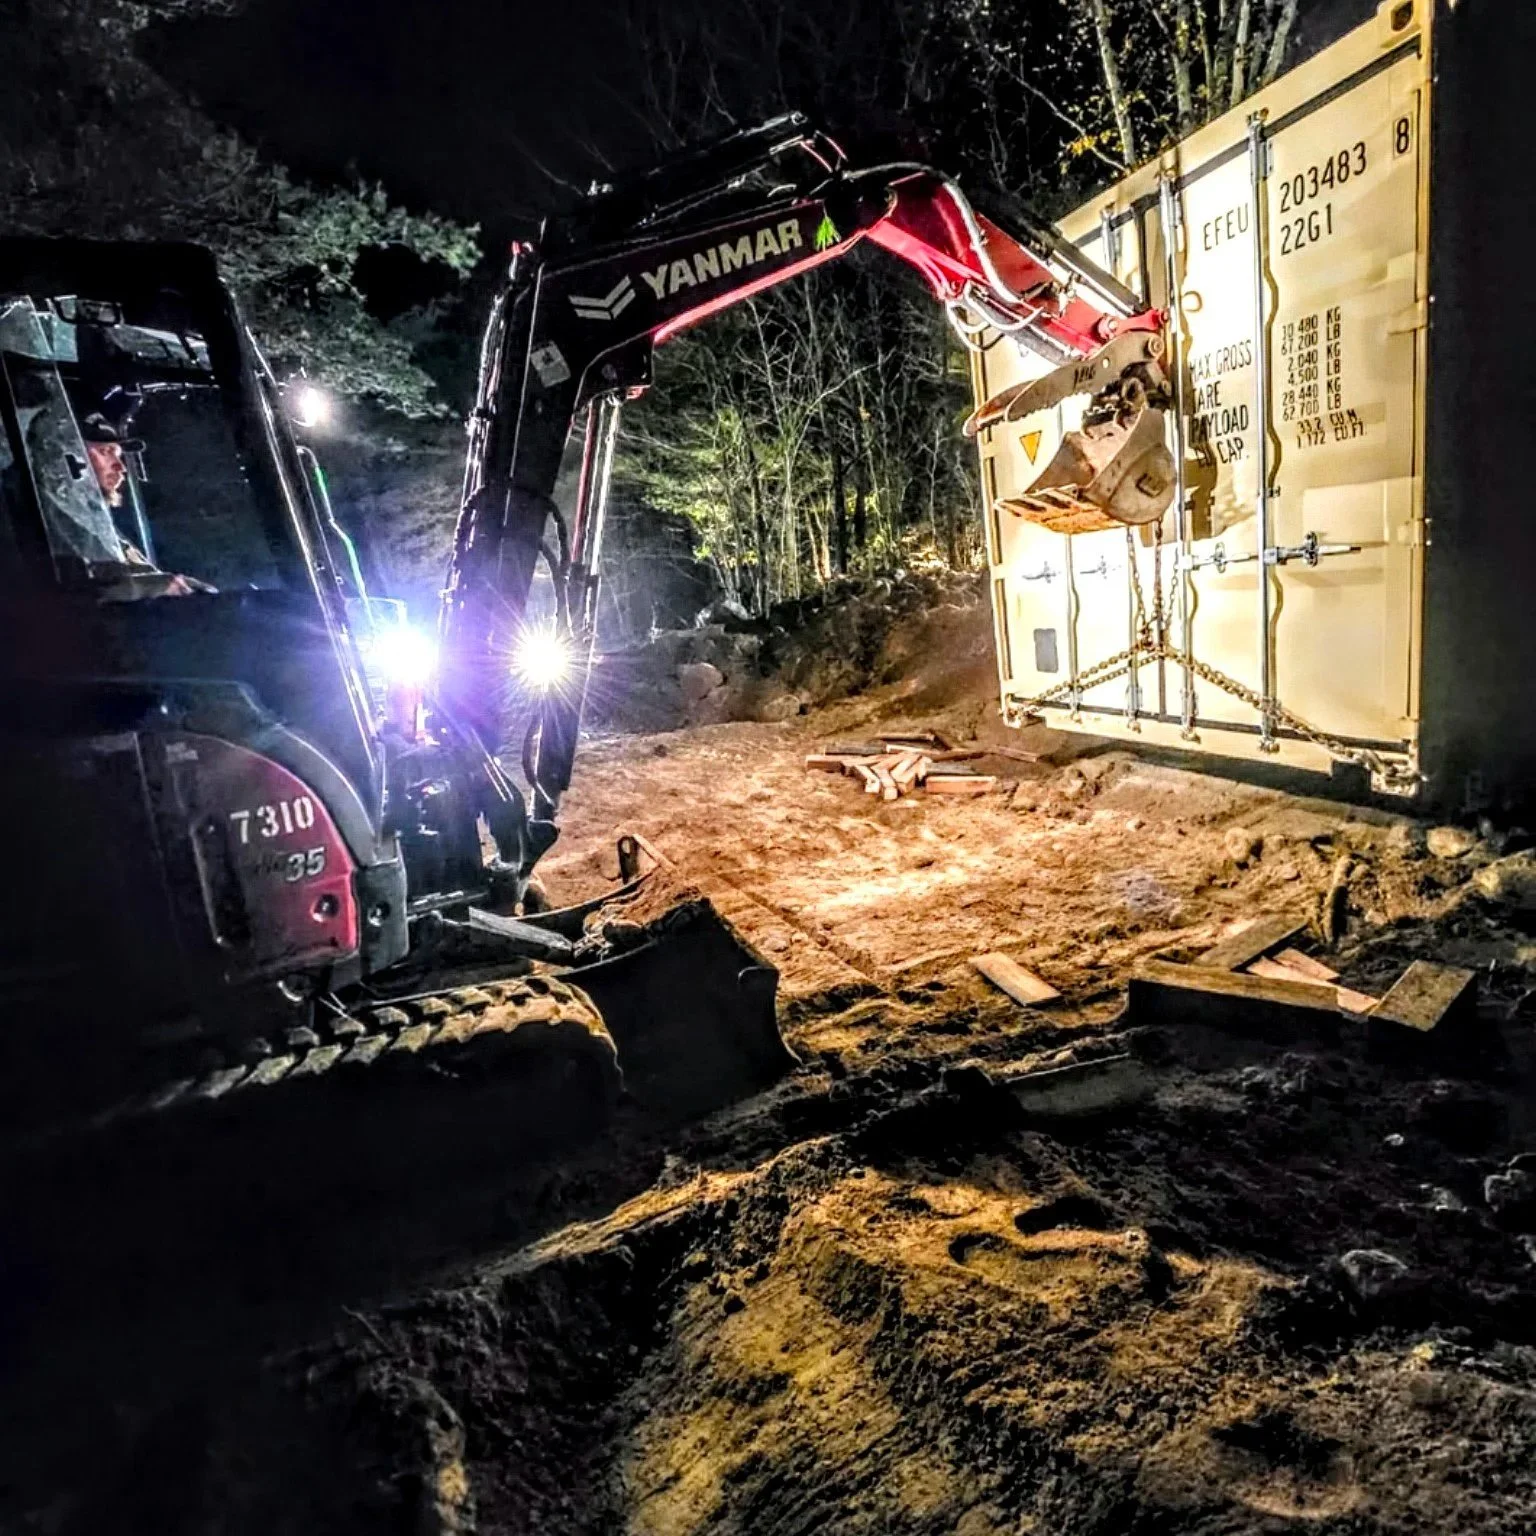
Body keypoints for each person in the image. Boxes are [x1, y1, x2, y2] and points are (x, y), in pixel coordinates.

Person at [79, 409, 211, 597]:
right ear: (71, 456)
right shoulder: (55, 522)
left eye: (118, 454)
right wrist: (157, 586)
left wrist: (176, 586)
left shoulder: (94, 522)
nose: (121, 467)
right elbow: (75, 594)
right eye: (105, 452)